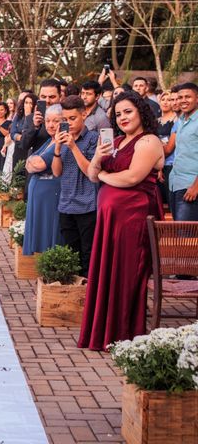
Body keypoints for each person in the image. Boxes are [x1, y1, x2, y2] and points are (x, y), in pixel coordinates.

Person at [79, 91, 164, 351]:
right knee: (108, 272)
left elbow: (131, 178)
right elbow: (92, 176)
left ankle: (124, 333)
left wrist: (104, 174)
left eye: (128, 111)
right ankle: (103, 331)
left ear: (141, 111)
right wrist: (97, 159)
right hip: (111, 221)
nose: (123, 117)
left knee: (127, 274)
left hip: (134, 220)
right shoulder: (115, 141)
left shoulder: (148, 141)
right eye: (118, 114)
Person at [51, 95, 98, 277]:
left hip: (87, 205)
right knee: (71, 252)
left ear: (84, 114)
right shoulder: (62, 140)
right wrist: (57, 148)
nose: (68, 123)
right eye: (65, 119)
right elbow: (57, 172)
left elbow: (91, 172)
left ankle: (88, 293)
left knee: (88, 253)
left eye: (72, 118)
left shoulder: (93, 138)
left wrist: (73, 147)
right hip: (66, 204)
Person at [23, 104, 64, 255]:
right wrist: (31, 161)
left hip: (50, 196)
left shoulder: (60, 142)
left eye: (55, 121)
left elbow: (38, 164)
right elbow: (28, 163)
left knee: (48, 235)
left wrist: (32, 161)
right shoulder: (50, 141)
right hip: (40, 196)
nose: (50, 125)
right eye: (47, 121)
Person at [168, 82, 198, 221]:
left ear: (197, 98)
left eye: (188, 97)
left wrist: (196, 187)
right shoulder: (180, 121)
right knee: (179, 233)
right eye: (180, 97)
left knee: (186, 238)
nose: (183, 100)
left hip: (191, 186)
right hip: (175, 184)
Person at [156, 91, 178, 205]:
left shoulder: (176, 120)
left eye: (169, 100)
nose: (165, 102)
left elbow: (170, 147)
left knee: (171, 200)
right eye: (163, 99)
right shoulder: (156, 121)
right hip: (157, 164)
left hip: (171, 164)